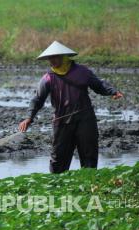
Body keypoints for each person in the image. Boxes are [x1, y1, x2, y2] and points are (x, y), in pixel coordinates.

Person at [18, 41, 124, 173]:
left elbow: (99, 85)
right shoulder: (48, 78)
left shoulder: (82, 72)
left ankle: (89, 185)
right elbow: (37, 99)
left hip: (85, 120)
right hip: (62, 122)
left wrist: (113, 91)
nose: (52, 61)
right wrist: (29, 118)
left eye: (55, 57)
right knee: (58, 158)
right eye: (50, 58)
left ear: (64, 57)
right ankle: (57, 186)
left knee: (89, 155)